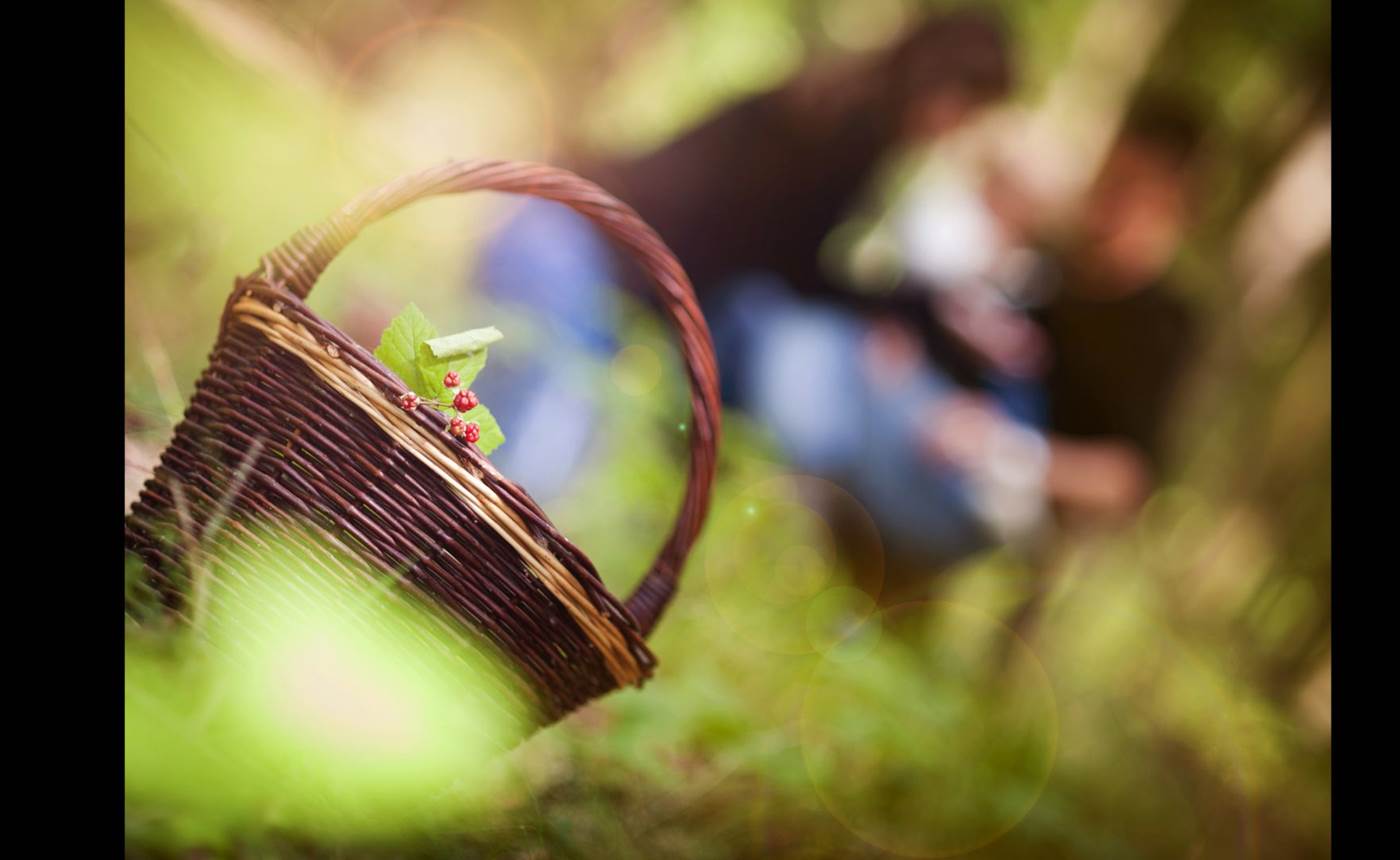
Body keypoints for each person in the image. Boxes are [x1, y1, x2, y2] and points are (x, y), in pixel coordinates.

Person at [468, 7, 1015, 507]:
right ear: (946, 89)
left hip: (562, 233)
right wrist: (920, 314)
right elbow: (793, 265)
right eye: (968, 113)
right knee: (517, 477)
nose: (954, 132)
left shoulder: (826, 103)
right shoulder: (842, 131)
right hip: (574, 250)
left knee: (479, 444)